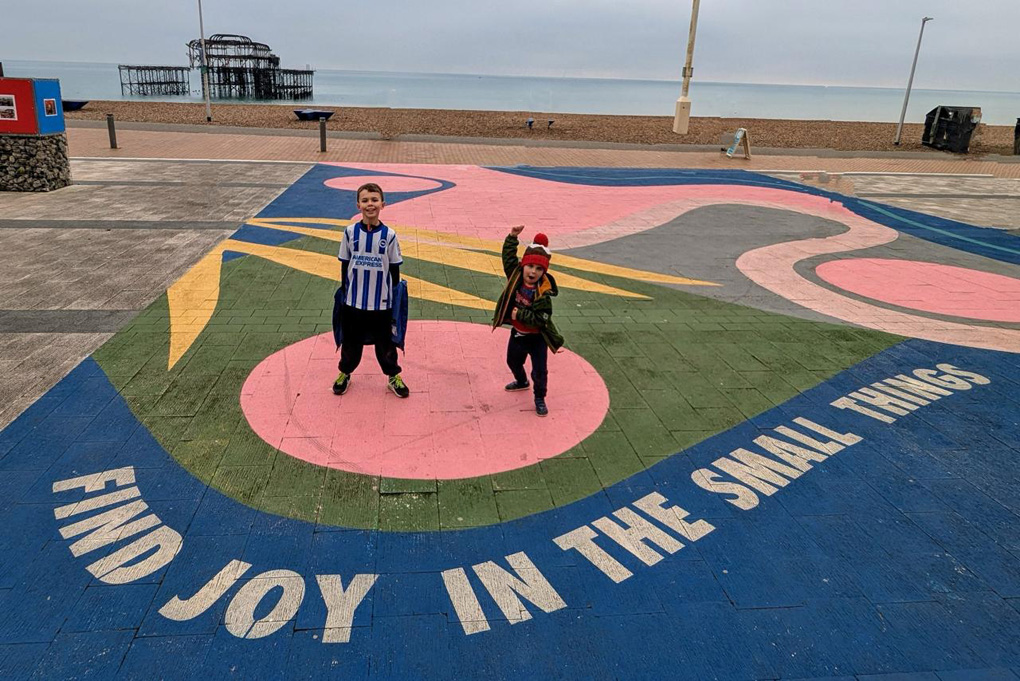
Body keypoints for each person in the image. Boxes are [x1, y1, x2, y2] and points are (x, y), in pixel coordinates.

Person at [332, 182, 409, 398]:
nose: (370, 204)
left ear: (383, 204)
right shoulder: (349, 233)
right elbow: (344, 264)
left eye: (374, 200)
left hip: (381, 303)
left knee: (386, 345)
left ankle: (393, 375)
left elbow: (394, 269)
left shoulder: (390, 235)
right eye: (365, 200)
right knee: (351, 343)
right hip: (353, 302)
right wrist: (345, 294)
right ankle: (344, 373)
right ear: (358, 205)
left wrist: (393, 298)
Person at [492, 225, 564, 416]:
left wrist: (519, 315)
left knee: (540, 372)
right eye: (530, 266)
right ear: (523, 265)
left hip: (537, 339)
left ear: (544, 272)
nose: (533, 272)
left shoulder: (543, 293)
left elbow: (540, 319)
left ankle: (539, 397)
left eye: (539, 269)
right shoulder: (516, 277)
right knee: (512, 361)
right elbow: (508, 259)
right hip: (517, 334)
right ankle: (522, 381)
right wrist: (512, 237)